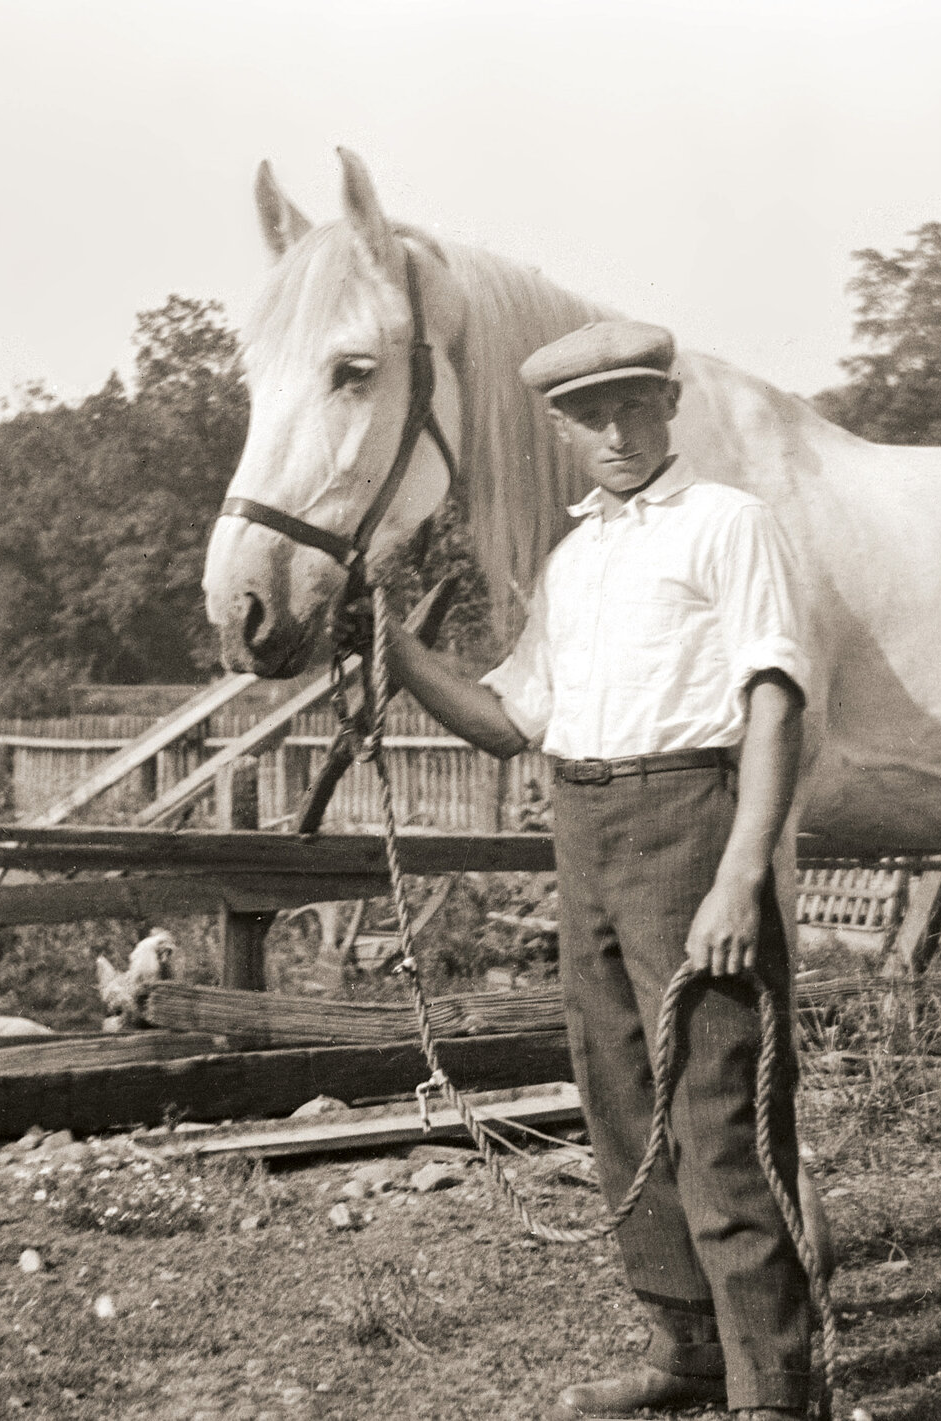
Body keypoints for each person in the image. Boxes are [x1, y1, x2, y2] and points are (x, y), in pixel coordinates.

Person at [375, 320, 816, 1419]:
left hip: (690, 819)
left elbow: (774, 700)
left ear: (668, 403)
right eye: (589, 414)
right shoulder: (572, 563)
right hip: (582, 826)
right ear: (562, 429)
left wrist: (738, 873)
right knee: (619, 1098)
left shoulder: (729, 523)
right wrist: (396, 651)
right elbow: (507, 719)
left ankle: (773, 1387)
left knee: (717, 1110)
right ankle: (686, 1350)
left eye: (633, 405)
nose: (615, 431)